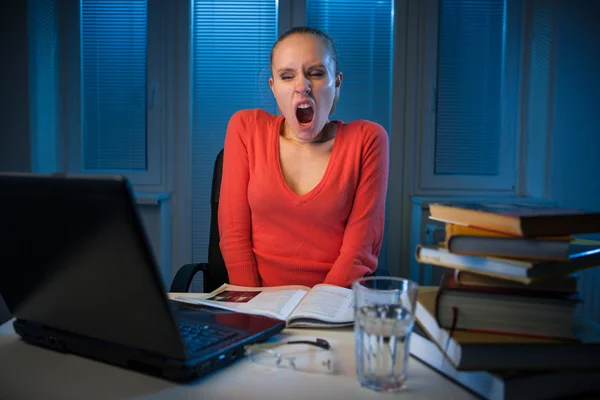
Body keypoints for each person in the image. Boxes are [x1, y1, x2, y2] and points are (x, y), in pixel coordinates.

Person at [218, 26, 389, 289]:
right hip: (257, 302)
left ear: (337, 82)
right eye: (287, 76)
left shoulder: (367, 140)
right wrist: (252, 307)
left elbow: (360, 251)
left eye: (317, 73)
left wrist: (319, 307)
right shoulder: (245, 128)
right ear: (273, 88)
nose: (302, 86)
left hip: (334, 304)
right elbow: (234, 236)